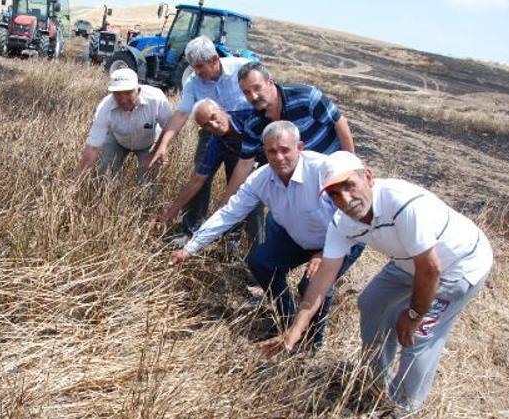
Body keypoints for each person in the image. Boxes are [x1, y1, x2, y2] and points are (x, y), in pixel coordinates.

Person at [260, 151, 493, 415]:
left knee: (418, 335)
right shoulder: (342, 223)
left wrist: (414, 314)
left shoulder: (403, 203)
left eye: (349, 185)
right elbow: (322, 281)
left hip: (458, 265)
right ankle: (374, 382)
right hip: (409, 261)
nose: (345, 199)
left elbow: (430, 269)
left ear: (368, 177)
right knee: (371, 303)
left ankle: (402, 408)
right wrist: (294, 333)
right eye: (335, 194)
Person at [170, 121, 364, 348]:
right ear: (264, 151)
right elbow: (229, 214)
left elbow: (352, 216)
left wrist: (324, 253)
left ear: (299, 147)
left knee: (310, 284)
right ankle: (288, 319)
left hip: (341, 238)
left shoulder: (323, 170)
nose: (279, 157)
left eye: (285, 150)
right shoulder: (260, 179)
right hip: (298, 235)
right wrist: (190, 248)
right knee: (261, 262)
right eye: (272, 151)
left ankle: (311, 344)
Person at [147, 36, 252, 237]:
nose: (196, 72)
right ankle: (191, 228)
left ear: (214, 60)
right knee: (200, 177)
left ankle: (233, 236)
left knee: (240, 185)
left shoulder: (243, 68)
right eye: (193, 67)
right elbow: (181, 113)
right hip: (211, 133)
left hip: (244, 135)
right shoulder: (194, 83)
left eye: (200, 67)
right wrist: (163, 145)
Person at [221, 62, 358, 194]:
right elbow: (245, 163)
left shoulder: (305, 96)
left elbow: (339, 123)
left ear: (270, 82)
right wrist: (223, 206)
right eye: (247, 92)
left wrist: (351, 166)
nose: (253, 96)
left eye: (257, 88)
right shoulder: (254, 123)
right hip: (303, 182)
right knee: (275, 218)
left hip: (334, 170)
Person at [157, 99, 265, 248]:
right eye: (207, 125)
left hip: (281, 160)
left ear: (221, 108)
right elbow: (198, 179)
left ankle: (259, 251)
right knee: (249, 198)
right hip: (257, 166)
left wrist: (222, 206)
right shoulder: (216, 142)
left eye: (213, 117)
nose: (213, 125)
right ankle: (248, 253)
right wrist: (171, 212)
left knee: (256, 200)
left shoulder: (248, 117)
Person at [77, 68, 173, 188]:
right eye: (117, 94)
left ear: (138, 90)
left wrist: (160, 148)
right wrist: (77, 183)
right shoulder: (104, 107)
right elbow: (92, 147)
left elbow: (170, 126)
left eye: (128, 93)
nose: (123, 100)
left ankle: (146, 204)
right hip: (118, 139)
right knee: (104, 174)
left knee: (148, 184)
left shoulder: (156, 99)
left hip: (149, 142)